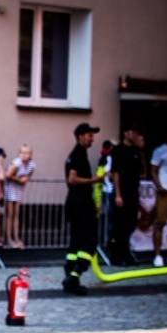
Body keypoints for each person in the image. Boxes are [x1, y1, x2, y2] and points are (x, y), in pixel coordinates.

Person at [63, 123, 104, 295]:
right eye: (89, 135)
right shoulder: (78, 154)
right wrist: (94, 180)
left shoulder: (76, 154)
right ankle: (74, 276)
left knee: (77, 242)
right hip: (80, 202)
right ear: (80, 136)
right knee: (89, 241)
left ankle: (70, 276)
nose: (92, 138)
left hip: (75, 202)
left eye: (93, 135)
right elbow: (72, 179)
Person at [109, 124, 145, 266]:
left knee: (131, 222)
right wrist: (118, 194)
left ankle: (125, 252)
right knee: (120, 224)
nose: (135, 135)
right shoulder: (118, 150)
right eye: (132, 131)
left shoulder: (135, 150)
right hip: (122, 191)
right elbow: (115, 173)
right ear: (125, 133)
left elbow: (142, 172)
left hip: (133, 191)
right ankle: (116, 254)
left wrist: (140, 150)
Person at [4, 144, 36, 249]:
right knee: (10, 213)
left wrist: (25, 179)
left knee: (16, 214)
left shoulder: (32, 165)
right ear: (18, 153)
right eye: (22, 152)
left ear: (30, 155)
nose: (24, 155)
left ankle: (16, 237)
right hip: (10, 186)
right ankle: (9, 238)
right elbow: (8, 175)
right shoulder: (17, 163)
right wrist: (19, 180)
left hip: (18, 189)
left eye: (26, 153)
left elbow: (28, 175)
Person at [150, 133, 167, 267]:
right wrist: (159, 186)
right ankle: (157, 255)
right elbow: (153, 170)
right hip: (164, 192)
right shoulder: (160, 151)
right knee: (160, 223)